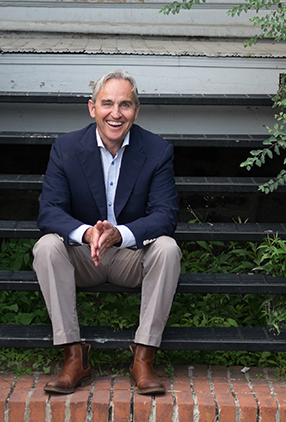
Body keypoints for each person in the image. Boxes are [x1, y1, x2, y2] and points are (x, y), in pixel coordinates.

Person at [33, 69, 181, 396]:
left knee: (168, 248)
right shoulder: (67, 148)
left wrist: (121, 234)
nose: (116, 113)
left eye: (125, 105)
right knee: (45, 247)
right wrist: (87, 234)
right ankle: (74, 357)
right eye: (107, 104)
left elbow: (165, 215)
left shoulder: (157, 151)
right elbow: (49, 212)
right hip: (84, 258)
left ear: (136, 111)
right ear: (92, 108)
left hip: (131, 256)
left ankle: (143, 357)